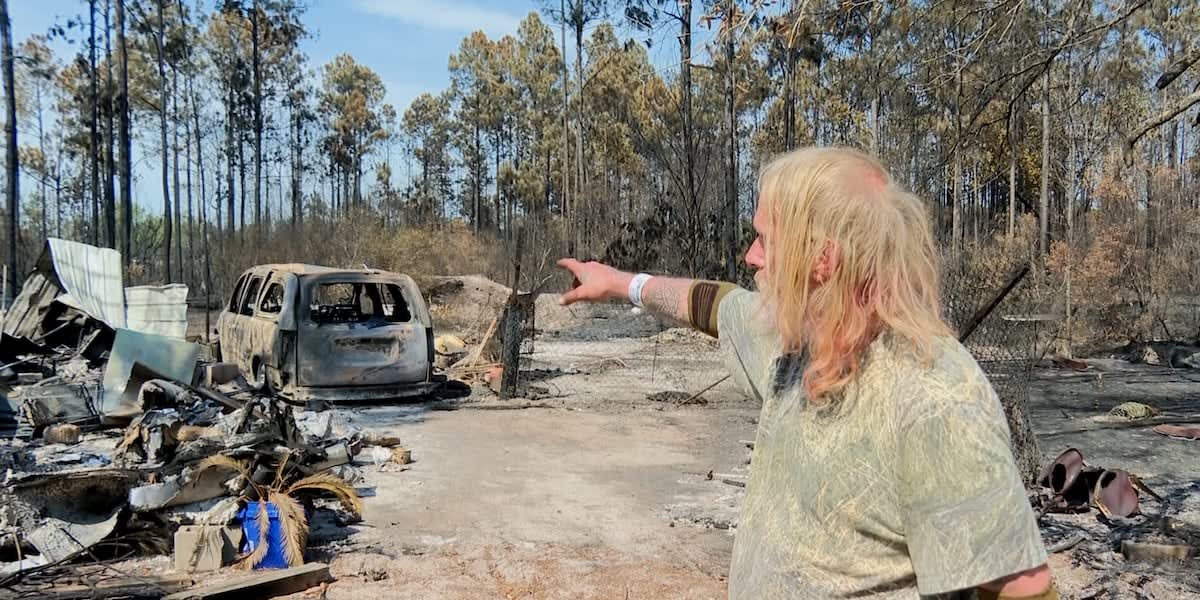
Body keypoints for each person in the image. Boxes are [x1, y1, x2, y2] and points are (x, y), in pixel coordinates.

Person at [556, 147, 1057, 599]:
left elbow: (1023, 587)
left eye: (765, 241)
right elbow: (715, 304)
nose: (751, 256)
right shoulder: (796, 343)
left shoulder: (935, 396)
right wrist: (621, 283)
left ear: (822, 259)